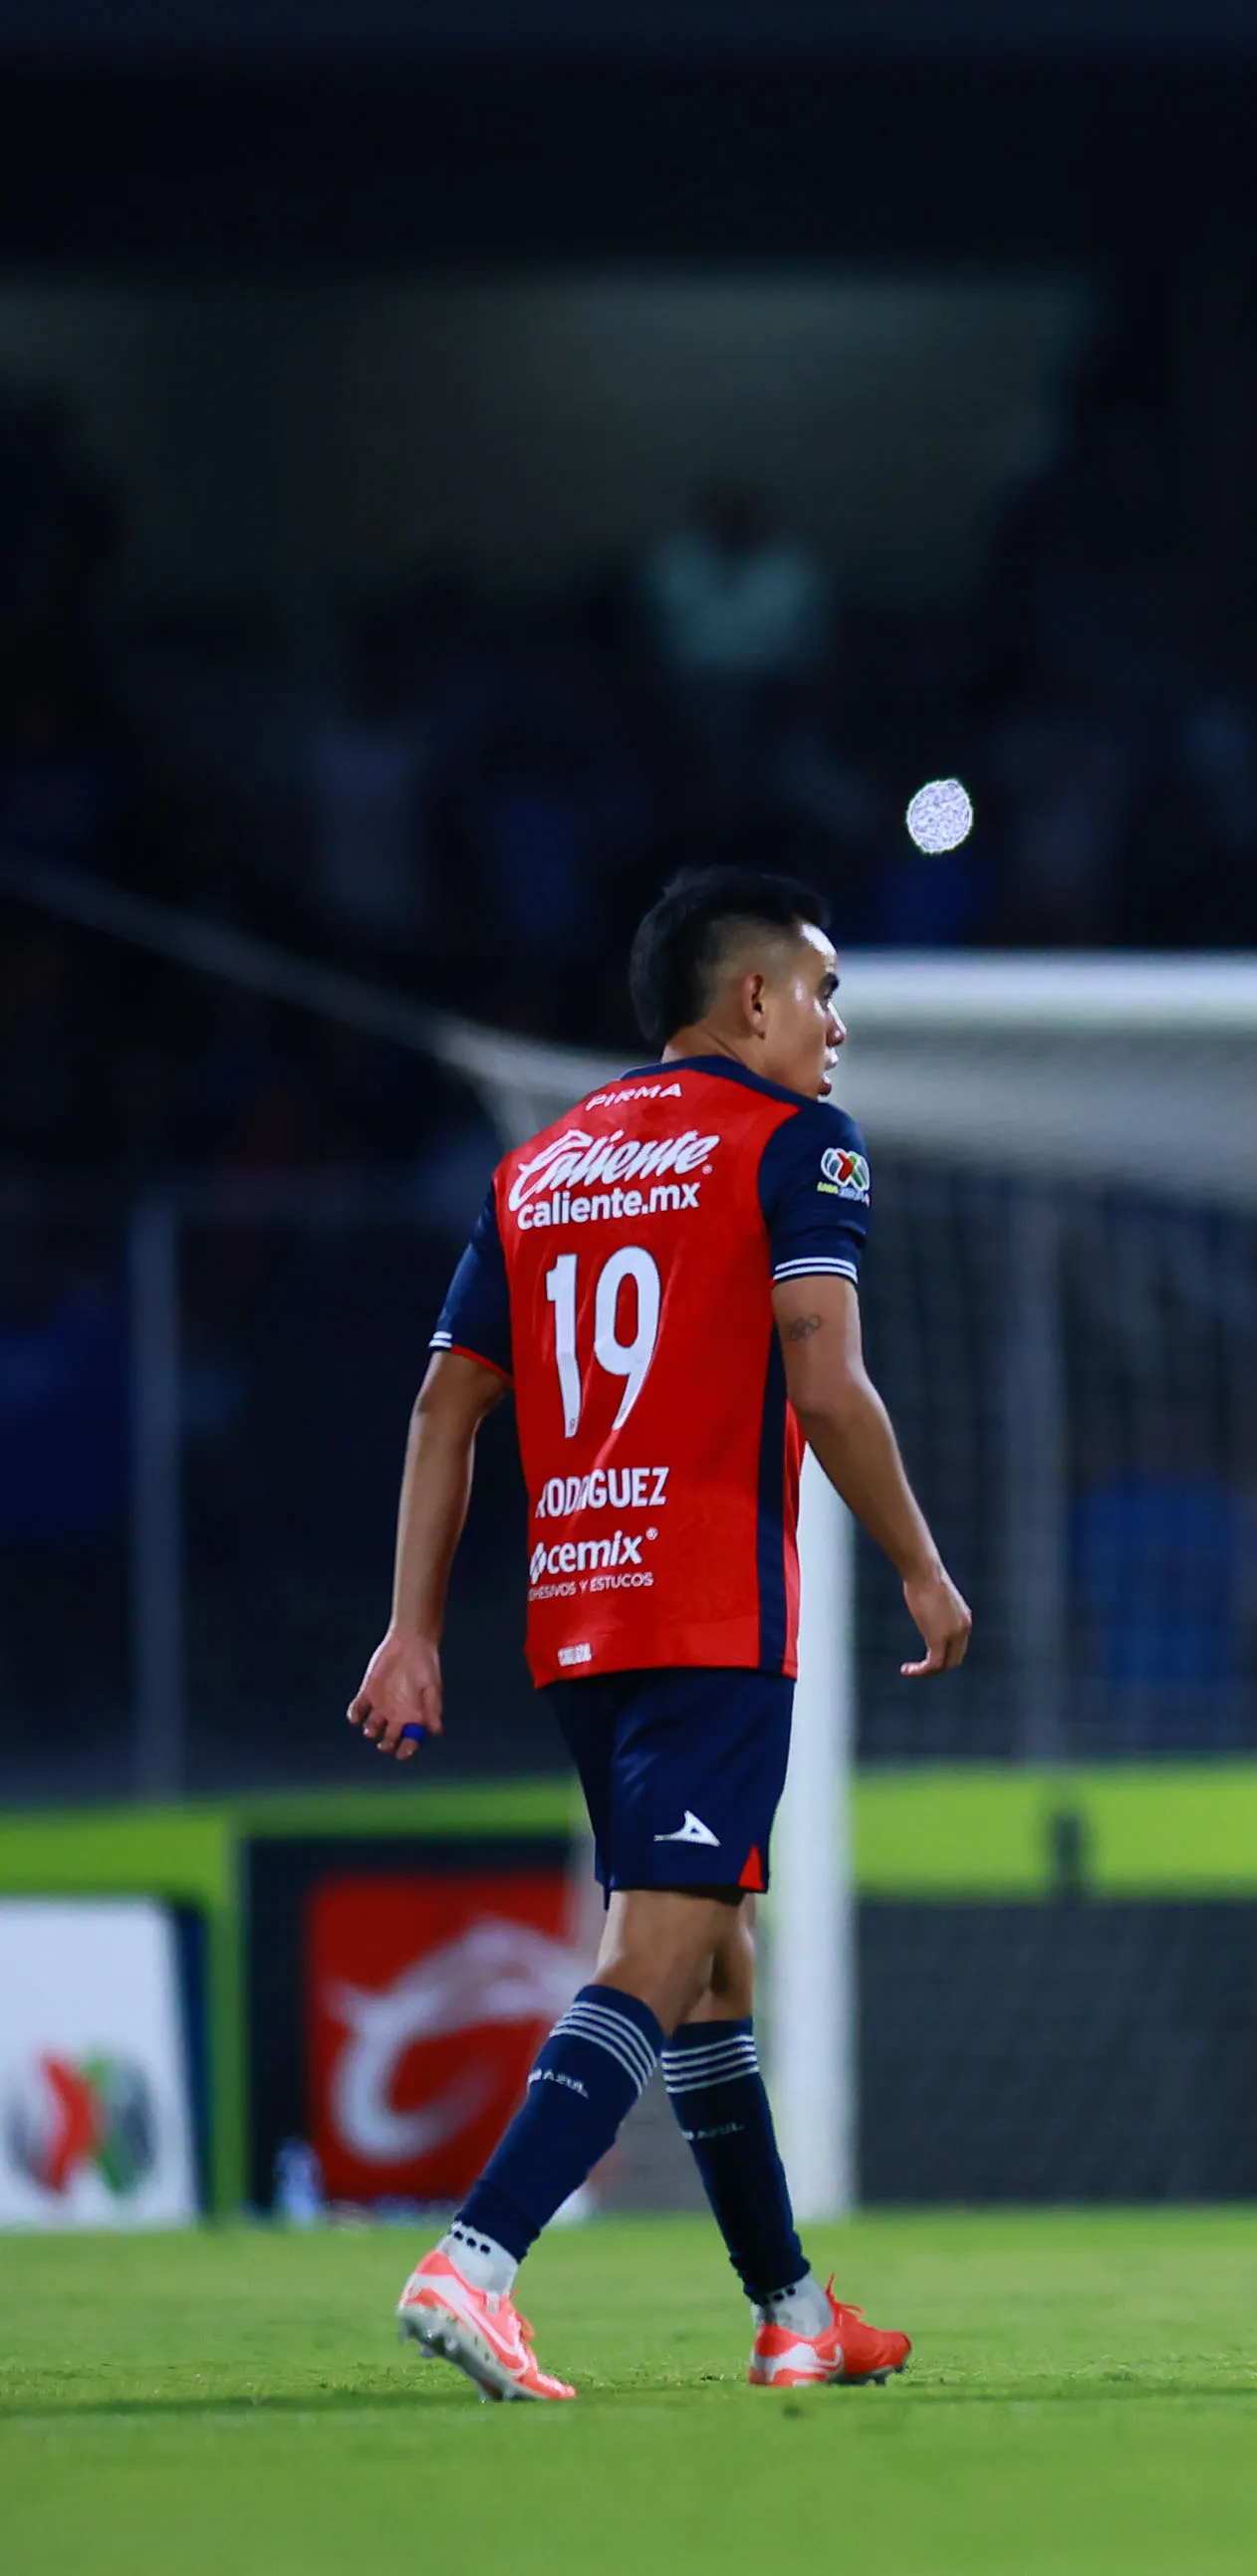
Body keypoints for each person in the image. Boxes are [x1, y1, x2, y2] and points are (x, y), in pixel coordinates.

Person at [350, 866, 972, 2403]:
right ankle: (477, 2258)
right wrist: (923, 1567)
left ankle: (792, 2311)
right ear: (751, 997)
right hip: (708, 1604)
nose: (837, 1025)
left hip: (576, 1605)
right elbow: (825, 1384)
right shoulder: (798, 1146)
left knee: (713, 1967)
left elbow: (447, 1403)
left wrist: (409, 1628)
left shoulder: (542, 1163)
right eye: (821, 991)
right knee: (656, 1950)